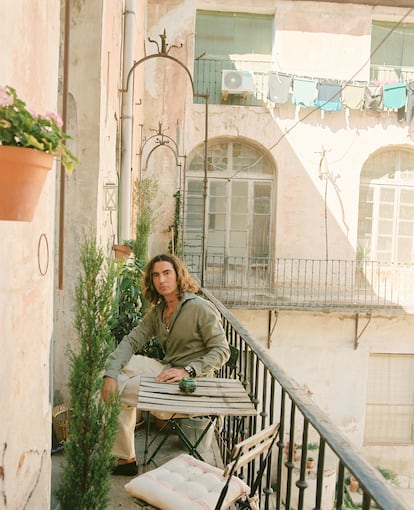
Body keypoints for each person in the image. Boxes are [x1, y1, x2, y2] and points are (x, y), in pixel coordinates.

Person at [101, 253, 230, 476]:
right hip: (168, 371)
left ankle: (123, 457)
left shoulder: (200, 308)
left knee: (121, 392)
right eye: (156, 275)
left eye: (167, 273)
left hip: (191, 385)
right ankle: (125, 454)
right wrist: (111, 374)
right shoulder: (159, 312)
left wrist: (188, 370)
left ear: (178, 275)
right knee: (112, 372)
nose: (161, 280)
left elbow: (222, 351)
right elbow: (133, 339)